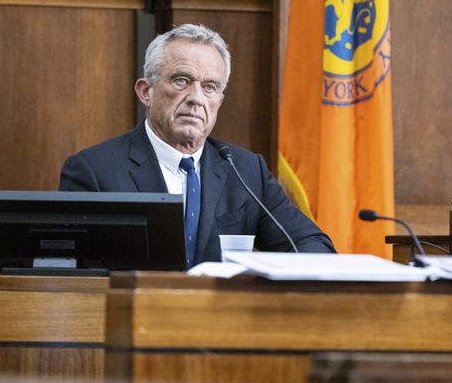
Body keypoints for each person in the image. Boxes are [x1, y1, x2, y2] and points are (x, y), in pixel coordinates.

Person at [59, 23, 335, 267]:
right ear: (146, 92)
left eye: (210, 87)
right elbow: (74, 274)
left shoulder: (246, 171)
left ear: (219, 102)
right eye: (182, 80)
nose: (196, 98)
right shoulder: (95, 171)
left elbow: (312, 245)